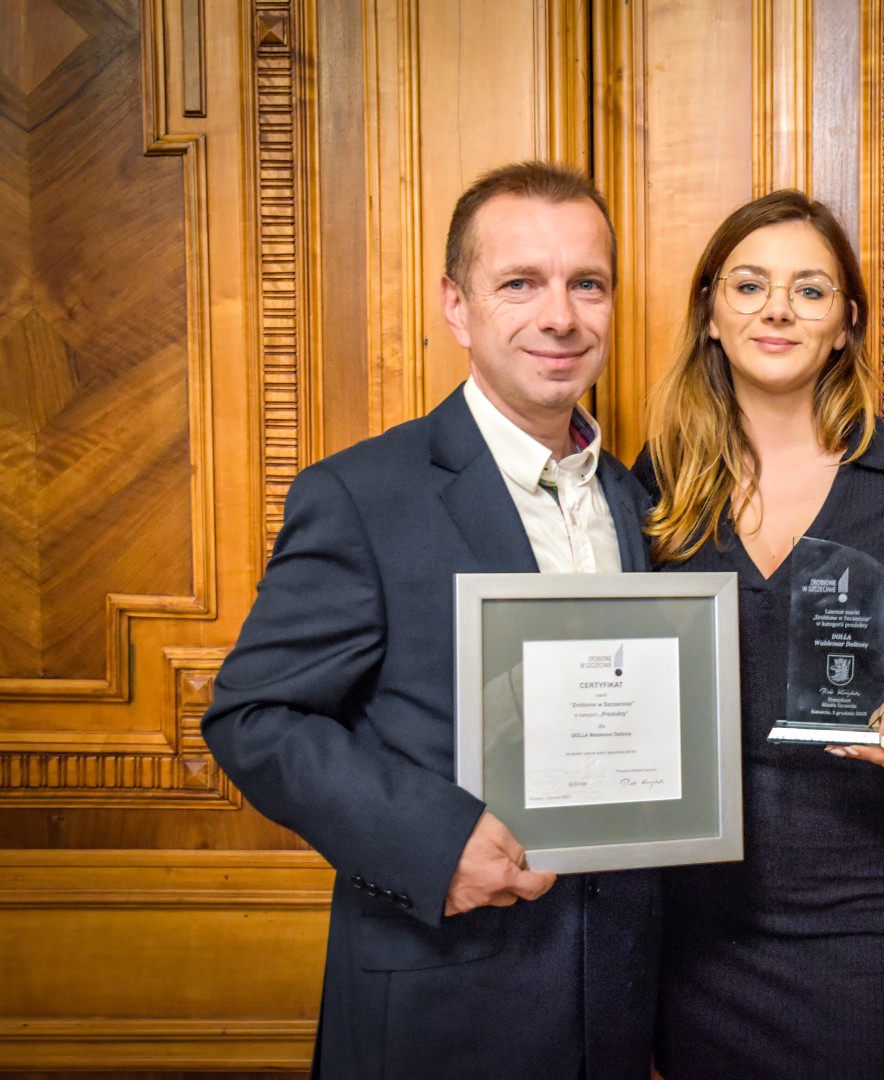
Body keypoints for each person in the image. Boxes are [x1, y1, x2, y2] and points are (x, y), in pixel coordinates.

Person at [202, 162, 660, 1079]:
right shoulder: (362, 495)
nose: (561, 317)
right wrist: (433, 841)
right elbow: (251, 717)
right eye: (520, 283)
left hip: (617, 1003)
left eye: (587, 284)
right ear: (457, 306)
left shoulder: (640, 501)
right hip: (438, 1003)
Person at [634, 189, 884, 1079]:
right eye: (749, 285)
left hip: (855, 898)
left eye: (810, 290)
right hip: (689, 897)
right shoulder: (659, 475)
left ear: (845, 324)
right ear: (711, 313)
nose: (778, 310)